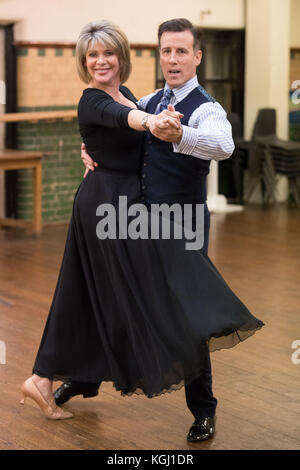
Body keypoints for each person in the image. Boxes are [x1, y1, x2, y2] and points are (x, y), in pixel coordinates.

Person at [21, 20, 264, 443]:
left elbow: (222, 145)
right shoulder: (148, 99)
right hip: (135, 219)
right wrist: (91, 150)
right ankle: (82, 378)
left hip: (182, 223)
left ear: (197, 57)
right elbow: (119, 119)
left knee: (190, 314)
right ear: (159, 54)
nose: (173, 60)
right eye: (166, 51)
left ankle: (203, 410)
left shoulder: (206, 108)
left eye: (181, 52)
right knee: (115, 296)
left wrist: (180, 132)